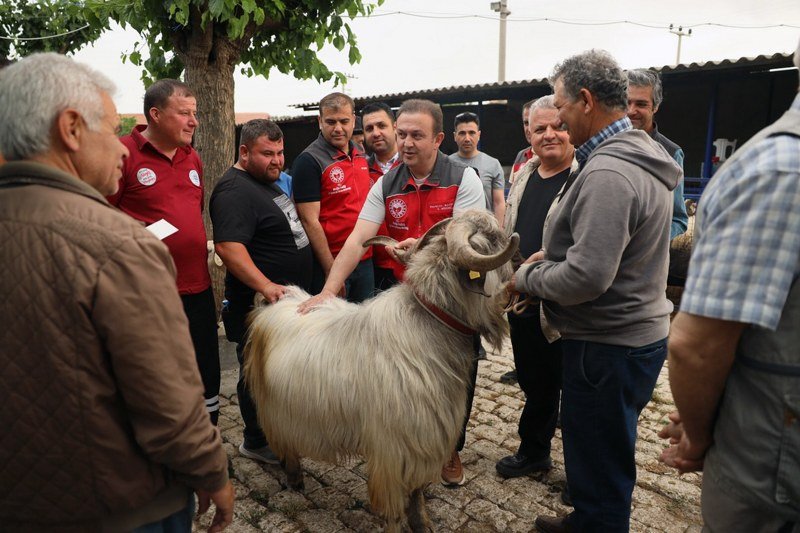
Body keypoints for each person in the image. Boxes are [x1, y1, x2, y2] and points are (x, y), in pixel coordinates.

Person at [0, 52, 233, 532]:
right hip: (122, 505)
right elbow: (163, 395)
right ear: (70, 129)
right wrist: (209, 468)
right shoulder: (116, 246)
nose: (122, 149)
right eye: (110, 132)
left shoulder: (192, 160)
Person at [513, 50, 681, 533]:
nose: (558, 116)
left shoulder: (609, 172)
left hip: (606, 344)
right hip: (633, 335)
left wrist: (526, 278)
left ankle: (597, 522)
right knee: (602, 451)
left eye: (561, 105)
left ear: (586, 101)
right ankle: (587, 518)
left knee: (599, 458)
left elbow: (587, 278)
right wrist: (555, 257)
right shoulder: (639, 153)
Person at [297, 99, 485, 487]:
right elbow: (358, 238)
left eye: (417, 135)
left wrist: (426, 245)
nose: (407, 143)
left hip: (454, 303)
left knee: (456, 375)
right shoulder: (385, 183)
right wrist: (329, 291)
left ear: (439, 139)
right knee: (409, 378)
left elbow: (468, 244)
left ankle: (451, 447)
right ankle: (409, 441)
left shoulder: (464, 179)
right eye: (402, 134)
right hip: (407, 299)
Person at [659, 38, 800, 532]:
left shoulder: (780, 170)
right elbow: (701, 348)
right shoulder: (781, 171)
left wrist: (700, 429)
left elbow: (696, 347)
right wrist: (706, 418)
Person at [107, 78, 221, 425]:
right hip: (148, 294)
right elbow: (98, 219)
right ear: (155, 115)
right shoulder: (122, 154)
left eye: (195, 113)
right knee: (157, 378)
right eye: (184, 113)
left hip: (197, 288)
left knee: (205, 370)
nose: (194, 121)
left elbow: (192, 213)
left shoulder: (192, 158)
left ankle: (209, 439)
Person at [210, 119, 313, 465]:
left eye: (281, 153)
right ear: (244, 152)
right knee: (255, 372)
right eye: (268, 154)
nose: (277, 161)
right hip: (257, 307)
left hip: (284, 307)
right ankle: (255, 440)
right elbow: (228, 247)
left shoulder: (266, 182)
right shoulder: (233, 190)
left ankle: (280, 431)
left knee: (278, 372)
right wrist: (266, 285)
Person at [495, 95, 577, 479]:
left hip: (565, 304)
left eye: (558, 126)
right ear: (528, 134)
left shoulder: (583, 177)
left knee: (574, 390)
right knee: (534, 381)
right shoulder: (524, 173)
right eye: (539, 128)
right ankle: (534, 451)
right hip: (523, 299)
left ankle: (581, 475)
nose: (549, 135)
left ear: (571, 129)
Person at [292, 92, 374, 301]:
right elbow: (309, 221)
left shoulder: (360, 154)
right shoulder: (308, 161)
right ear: (320, 121)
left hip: (364, 258)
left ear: (353, 120)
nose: (338, 128)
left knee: (365, 319)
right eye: (331, 122)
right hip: (332, 262)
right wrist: (331, 270)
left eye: (344, 121)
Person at [626, 69, 689, 241]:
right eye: (626, 102)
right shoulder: (604, 146)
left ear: (655, 107)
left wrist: (647, 243)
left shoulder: (671, 153)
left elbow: (678, 219)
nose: (631, 111)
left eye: (641, 104)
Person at [361, 102, 401, 291]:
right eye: (369, 128)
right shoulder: (360, 171)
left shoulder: (413, 166)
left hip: (413, 263)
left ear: (395, 127)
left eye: (381, 126)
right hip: (375, 267)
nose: (376, 133)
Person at [448, 112, 506, 225]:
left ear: (479, 135)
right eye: (462, 133)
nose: (467, 138)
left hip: (485, 229)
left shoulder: (493, 164)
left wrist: (498, 230)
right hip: (454, 229)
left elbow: (499, 203)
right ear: (455, 136)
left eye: (472, 133)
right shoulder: (446, 164)